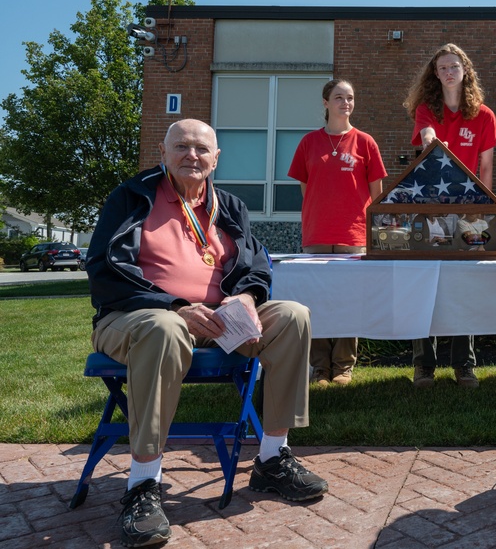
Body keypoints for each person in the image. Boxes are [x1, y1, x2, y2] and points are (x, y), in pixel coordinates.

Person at [87, 119, 328, 547]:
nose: (191, 155)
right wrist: (175, 307)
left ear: (216, 159)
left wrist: (249, 300)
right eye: (181, 146)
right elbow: (104, 272)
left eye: (202, 149)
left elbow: (255, 268)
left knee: (293, 315)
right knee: (164, 330)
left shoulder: (230, 206)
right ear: (162, 153)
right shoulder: (130, 198)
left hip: (220, 320)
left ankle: (272, 458)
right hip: (137, 317)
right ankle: (143, 484)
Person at [404, 43, 496, 388]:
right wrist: (433, 139)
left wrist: (484, 208)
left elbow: (487, 167)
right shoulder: (426, 109)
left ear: (465, 71)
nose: (448, 72)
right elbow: (426, 137)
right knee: (425, 285)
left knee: (464, 288)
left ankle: (464, 365)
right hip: (429, 210)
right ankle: (424, 366)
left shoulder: (484, 115)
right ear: (435, 74)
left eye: (454, 67)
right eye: (442, 67)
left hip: (470, 213)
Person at [288, 79, 387, 387]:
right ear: (325, 103)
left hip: (353, 237)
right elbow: (307, 188)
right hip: (316, 235)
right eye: (339, 97)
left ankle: (343, 366)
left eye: (350, 98)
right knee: (314, 302)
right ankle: (319, 368)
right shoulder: (309, 142)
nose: (346, 102)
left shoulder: (365, 142)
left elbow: (376, 193)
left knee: (348, 302)